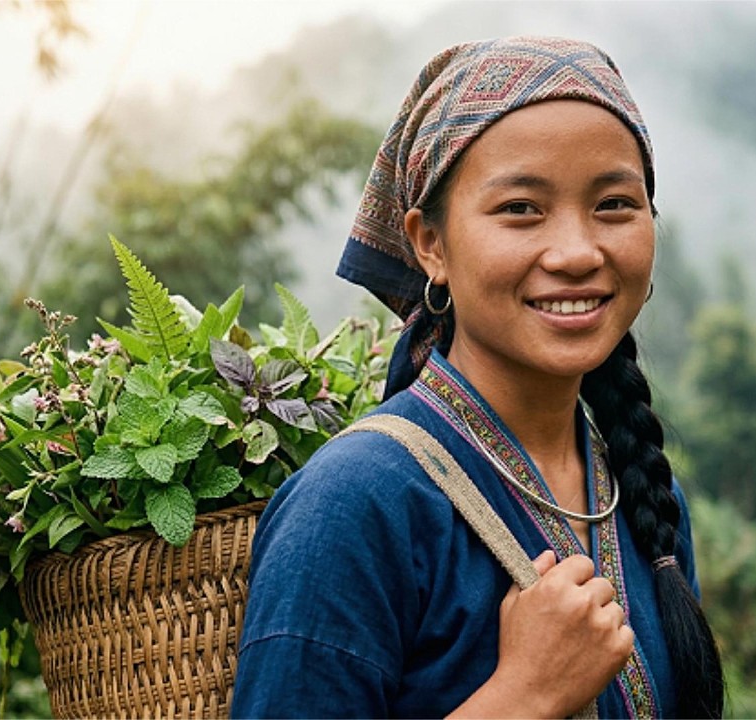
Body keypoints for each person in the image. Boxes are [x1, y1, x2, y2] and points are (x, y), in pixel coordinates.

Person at [232, 36, 723, 718]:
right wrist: (524, 694)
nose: (577, 253)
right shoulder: (353, 504)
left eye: (614, 204)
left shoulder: (645, 499)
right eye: (521, 208)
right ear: (430, 244)